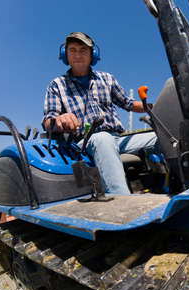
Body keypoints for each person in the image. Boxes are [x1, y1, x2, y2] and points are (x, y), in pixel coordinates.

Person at [42, 32, 158, 195]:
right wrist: (59, 119)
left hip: (118, 138)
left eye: (83, 50)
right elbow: (48, 120)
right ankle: (123, 207)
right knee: (102, 139)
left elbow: (128, 103)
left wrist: (155, 106)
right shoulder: (57, 85)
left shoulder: (107, 79)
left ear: (92, 55)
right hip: (84, 142)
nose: (77, 54)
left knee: (160, 138)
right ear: (65, 55)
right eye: (72, 50)